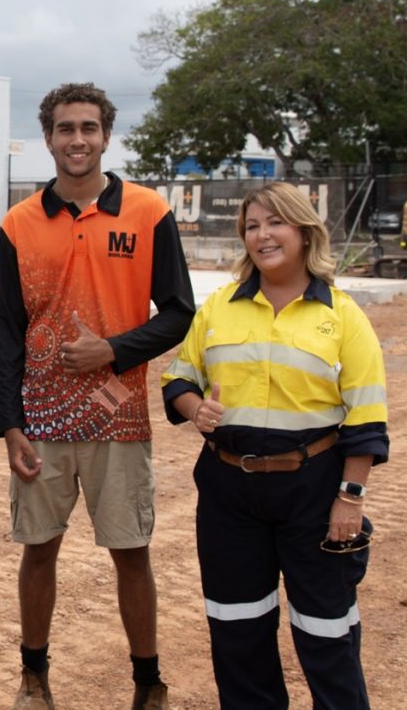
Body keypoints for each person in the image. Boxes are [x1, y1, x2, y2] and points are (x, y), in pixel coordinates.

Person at [0, 82, 194, 710]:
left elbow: (180, 312)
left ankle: (148, 684)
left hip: (119, 416)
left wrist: (114, 350)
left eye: (89, 128)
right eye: (65, 129)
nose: (77, 140)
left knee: (132, 554)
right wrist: (10, 425)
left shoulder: (148, 212)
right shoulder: (18, 224)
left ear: (106, 135)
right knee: (38, 551)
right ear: (48, 137)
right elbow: (5, 334)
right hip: (42, 423)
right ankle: (34, 679)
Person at [161, 182, 388, 708]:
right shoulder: (219, 306)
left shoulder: (343, 316)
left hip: (314, 489)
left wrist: (350, 497)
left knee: (327, 631)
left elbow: (367, 419)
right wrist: (197, 410)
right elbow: (178, 380)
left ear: (305, 231)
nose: (261, 235)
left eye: (274, 222)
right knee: (236, 628)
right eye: (251, 226)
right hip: (227, 490)